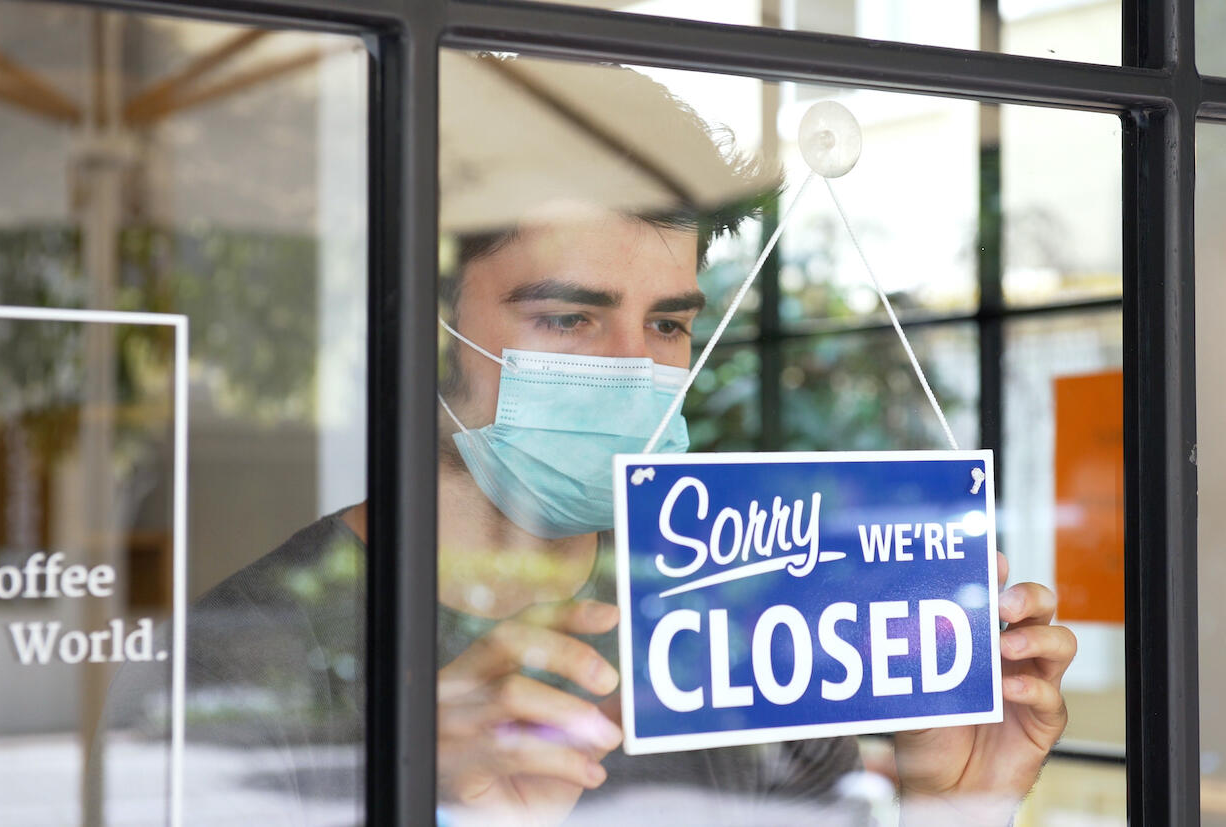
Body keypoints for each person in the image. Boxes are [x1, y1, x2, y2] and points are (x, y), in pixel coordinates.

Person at [94, 57, 1075, 826]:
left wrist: (957, 805)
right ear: (423, 321)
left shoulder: (736, 615)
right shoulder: (239, 658)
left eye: (666, 325)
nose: (633, 370)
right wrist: (424, 802)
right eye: (569, 318)